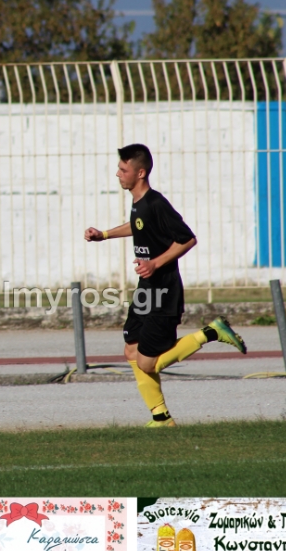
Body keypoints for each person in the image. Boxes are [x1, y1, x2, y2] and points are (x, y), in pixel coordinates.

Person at [84, 143, 247, 428]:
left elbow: (187, 239)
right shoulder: (139, 203)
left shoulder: (156, 203)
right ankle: (161, 417)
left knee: (147, 362)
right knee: (131, 350)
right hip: (146, 288)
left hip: (164, 290)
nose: (118, 174)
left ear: (140, 173)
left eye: (123, 170)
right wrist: (104, 234)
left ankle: (211, 332)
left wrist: (155, 263)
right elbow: (137, 225)